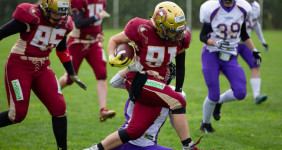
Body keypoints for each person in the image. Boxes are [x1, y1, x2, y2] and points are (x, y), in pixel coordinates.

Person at [84, 1, 201, 150]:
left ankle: (95, 149)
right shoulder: (140, 28)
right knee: (177, 100)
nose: (177, 35)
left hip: (157, 85)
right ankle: (188, 146)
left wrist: (178, 88)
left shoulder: (181, 37)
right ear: (159, 25)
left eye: (178, 31)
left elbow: (181, 63)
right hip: (140, 79)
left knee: (135, 131)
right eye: (171, 31)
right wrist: (112, 57)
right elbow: (114, 40)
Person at [0, 0, 86, 149]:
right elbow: (2, 32)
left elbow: (62, 48)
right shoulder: (33, 16)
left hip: (43, 67)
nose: (59, 17)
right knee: (17, 115)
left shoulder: (65, 24)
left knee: (59, 108)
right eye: (56, 12)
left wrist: (71, 73)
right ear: (45, 8)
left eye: (62, 13)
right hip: (20, 65)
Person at [199, 0, 262, 133]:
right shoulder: (211, 8)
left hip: (230, 55)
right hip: (211, 54)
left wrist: (254, 50)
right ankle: (205, 124)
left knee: (240, 92)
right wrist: (215, 43)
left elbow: (244, 34)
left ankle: (220, 102)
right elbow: (202, 36)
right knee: (213, 94)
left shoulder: (243, 8)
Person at [109, 62, 190, 150]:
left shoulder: (174, 94)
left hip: (148, 144)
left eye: (167, 74)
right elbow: (114, 82)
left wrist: (187, 141)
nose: (163, 75)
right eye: (162, 71)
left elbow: (177, 123)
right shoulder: (141, 84)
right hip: (126, 140)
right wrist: (130, 68)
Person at [58, 0, 116, 121]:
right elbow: (79, 23)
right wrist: (97, 16)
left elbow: (100, 19)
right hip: (77, 43)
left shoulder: (102, 1)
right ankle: (52, 92)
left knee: (102, 74)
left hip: (94, 42)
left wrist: (101, 32)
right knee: (69, 79)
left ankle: (103, 110)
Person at [237, 0, 268, 104]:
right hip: (232, 42)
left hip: (246, 43)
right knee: (222, 69)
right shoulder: (234, 4)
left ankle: (256, 96)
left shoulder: (256, 7)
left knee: (255, 64)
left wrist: (262, 41)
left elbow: (256, 24)